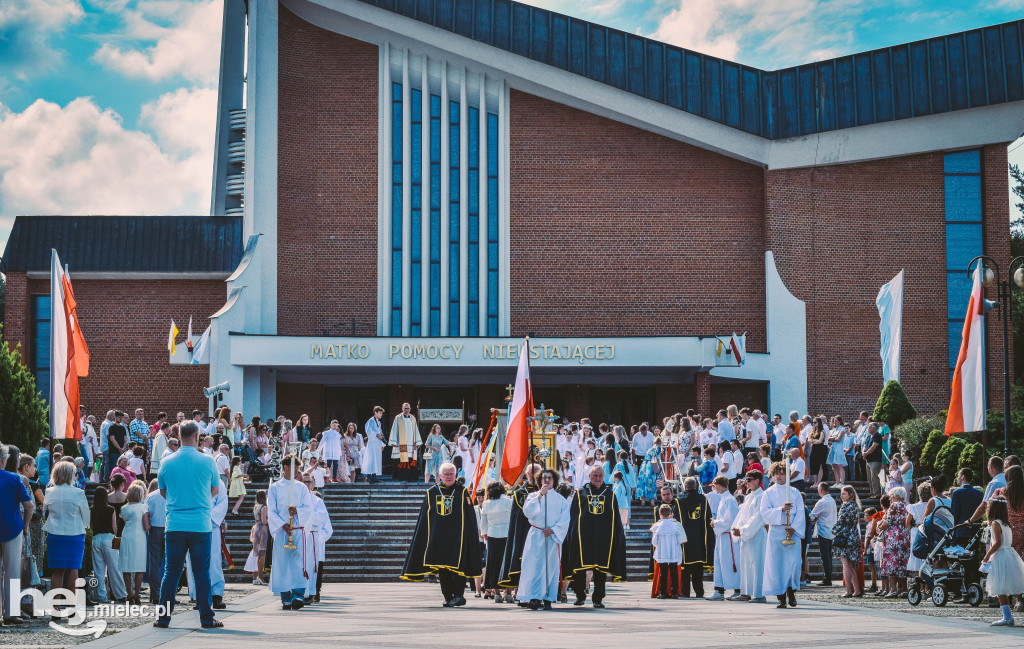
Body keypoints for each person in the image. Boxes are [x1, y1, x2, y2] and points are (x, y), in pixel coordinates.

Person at [154, 420, 223, 629]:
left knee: (171, 571)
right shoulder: (207, 460)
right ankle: (206, 617)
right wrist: (200, 500)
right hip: (200, 523)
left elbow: (163, 492)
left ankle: (163, 617)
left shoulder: (167, 462)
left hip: (174, 522)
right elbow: (215, 489)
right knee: (201, 571)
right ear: (196, 437)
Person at [400, 462, 482, 606]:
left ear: (456, 475)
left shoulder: (462, 492)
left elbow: (469, 517)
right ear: (440, 476)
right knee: (443, 569)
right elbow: (424, 519)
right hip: (439, 538)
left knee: (458, 569)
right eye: (446, 474)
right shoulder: (432, 492)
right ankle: (448, 597)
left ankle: (459, 596)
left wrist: (471, 536)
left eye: (452, 474)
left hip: (458, 539)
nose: (449, 477)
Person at [562, 465, 626, 608]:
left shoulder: (610, 494)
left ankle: (598, 598)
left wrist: (616, 536)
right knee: (580, 569)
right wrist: (572, 536)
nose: (597, 479)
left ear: (604, 477)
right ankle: (580, 596)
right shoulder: (580, 493)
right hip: (583, 538)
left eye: (600, 476)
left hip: (603, 538)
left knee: (600, 570)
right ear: (589, 476)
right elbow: (573, 517)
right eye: (595, 476)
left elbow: (615, 518)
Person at [517, 469, 571, 610]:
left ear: (554, 480)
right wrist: (540, 495)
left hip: (552, 538)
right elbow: (528, 512)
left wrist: (553, 530)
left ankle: (548, 597)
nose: (547, 480)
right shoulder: (533, 496)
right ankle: (534, 597)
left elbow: (565, 519)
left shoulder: (561, 500)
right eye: (544, 478)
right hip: (536, 536)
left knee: (550, 568)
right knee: (534, 566)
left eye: (550, 478)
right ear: (539, 480)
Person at [267, 456, 316, 609]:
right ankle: (286, 597)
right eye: (293, 467)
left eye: (298, 467)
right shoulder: (274, 487)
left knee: (298, 562)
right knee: (282, 564)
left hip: (297, 529)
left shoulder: (301, 487)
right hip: (282, 530)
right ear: (285, 467)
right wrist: (282, 524)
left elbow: (309, 509)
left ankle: (298, 595)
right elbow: (271, 510)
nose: (296, 470)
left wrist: (297, 511)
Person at [42, 461, 91, 599]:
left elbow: (46, 511)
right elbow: (86, 515)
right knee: (73, 570)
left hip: (55, 533)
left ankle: (55, 606)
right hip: (75, 533)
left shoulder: (49, 492)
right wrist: (85, 529)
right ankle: (72, 605)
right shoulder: (78, 493)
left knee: (57, 572)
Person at [761, 460, 806, 608]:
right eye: (777, 474)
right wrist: (780, 510)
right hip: (776, 531)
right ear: (772, 476)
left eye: (782, 474)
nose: (779, 477)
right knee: (777, 565)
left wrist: (794, 527)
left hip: (791, 532)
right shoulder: (768, 493)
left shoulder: (795, 492)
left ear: (787, 475)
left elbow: (800, 512)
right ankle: (781, 597)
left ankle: (791, 591)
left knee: (793, 563)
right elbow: (764, 512)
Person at [1, 444, 34, 624]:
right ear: (3, 460)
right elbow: (28, 505)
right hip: (12, 528)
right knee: (12, 571)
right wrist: (26, 525)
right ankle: (11, 613)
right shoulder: (14, 478)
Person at [497, 464, 541, 594]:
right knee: (519, 559)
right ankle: (514, 589)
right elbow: (519, 514)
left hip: (539, 532)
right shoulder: (520, 493)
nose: (534, 475)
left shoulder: (546, 492)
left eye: (537, 472)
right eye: (531, 472)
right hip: (523, 531)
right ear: (526, 475)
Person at [982, 498, 1024, 626]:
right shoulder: (1007, 524)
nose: (987, 509)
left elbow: (998, 543)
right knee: (1011, 584)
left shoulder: (995, 523)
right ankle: (1008, 616)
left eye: (988, 507)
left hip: (1001, 555)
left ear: (993, 509)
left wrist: (987, 555)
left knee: (1000, 587)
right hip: (1010, 554)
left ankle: (1007, 617)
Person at [733, 470, 767, 602]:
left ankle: (759, 594)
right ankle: (745, 592)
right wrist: (737, 528)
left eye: (749, 479)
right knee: (745, 563)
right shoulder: (749, 496)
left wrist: (743, 530)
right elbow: (742, 515)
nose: (746, 482)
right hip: (745, 534)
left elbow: (758, 517)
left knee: (757, 563)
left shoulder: (762, 496)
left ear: (757, 481)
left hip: (756, 533)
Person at [90, 486, 127, 604]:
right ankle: (120, 594)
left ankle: (101, 596)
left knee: (98, 570)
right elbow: (114, 527)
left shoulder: (92, 509)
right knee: (114, 568)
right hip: (108, 538)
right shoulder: (111, 509)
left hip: (96, 538)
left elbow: (91, 526)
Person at [676, 477, 711, 598]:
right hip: (699, 539)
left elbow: (676, 520)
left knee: (685, 570)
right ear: (696, 486)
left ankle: (685, 592)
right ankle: (699, 592)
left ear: (684, 487)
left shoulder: (679, 500)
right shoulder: (703, 499)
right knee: (698, 569)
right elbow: (708, 519)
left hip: (684, 540)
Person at [707, 476, 741, 600]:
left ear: (719, 485)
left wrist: (715, 523)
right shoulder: (723, 498)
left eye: (715, 486)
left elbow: (730, 520)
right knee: (719, 563)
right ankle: (719, 590)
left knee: (730, 563)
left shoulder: (729, 500)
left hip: (728, 537)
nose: (714, 488)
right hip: (722, 536)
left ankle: (738, 589)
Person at [480, 481, 513, 602]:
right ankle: (508, 593)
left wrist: (484, 534)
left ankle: (497, 593)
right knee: (507, 563)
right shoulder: (509, 502)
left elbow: (483, 522)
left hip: (492, 534)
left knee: (494, 564)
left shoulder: (486, 504)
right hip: (507, 534)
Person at [118, 482, 148, 605]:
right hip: (139, 536)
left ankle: (129, 594)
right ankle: (137, 594)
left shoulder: (124, 508)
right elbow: (146, 527)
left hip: (127, 536)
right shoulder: (143, 508)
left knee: (127, 566)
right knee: (139, 567)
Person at [832, 485, 864, 597]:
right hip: (852, 536)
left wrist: (833, 530)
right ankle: (856, 590)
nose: (841, 496)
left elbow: (841, 522)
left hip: (846, 537)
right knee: (849, 565)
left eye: (843, 494)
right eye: (841, 494)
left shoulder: (847, 507)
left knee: (846, 564)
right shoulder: (854, 506)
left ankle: (849, 590)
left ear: (850, 494)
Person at [879, 486, 910, 598]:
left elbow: (887, 522)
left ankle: (893, 590)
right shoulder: (907, 506)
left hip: (893, 538)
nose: (891, 498)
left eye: (892, 495)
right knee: (902, 563)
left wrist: (880, 526)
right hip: (905, 537)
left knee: (891, 562)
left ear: (896, 496)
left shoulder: (894, 506)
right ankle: (904, 589)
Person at [651, 504, 686, 599]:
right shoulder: (676, 526)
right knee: (674, 573)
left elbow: (654, 542)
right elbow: (679, 541)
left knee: (663, 573)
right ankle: (674, 592)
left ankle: (663, 593)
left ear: (660, 514)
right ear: (670, 513)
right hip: (673, 553)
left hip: (662, 553)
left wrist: (659, 546)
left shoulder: (657, 527)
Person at [306, 488, 332, 603]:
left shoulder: (320, 508)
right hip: (304, 542)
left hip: (316, 544)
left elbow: (328, 529)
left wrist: (316, 539)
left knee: (317, 570)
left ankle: (315, 592)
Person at [145, 479, 166, 604]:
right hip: (169, 529)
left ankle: (155, 594)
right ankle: (168, 594)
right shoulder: (171, 494)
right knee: (171, 564)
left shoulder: (151, 496)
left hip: (155, 529)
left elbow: (146, 513)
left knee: (155, 563)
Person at [389, 403, 421, 482]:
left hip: (411, 443)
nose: (407, 410)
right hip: (402, 443)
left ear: (410, 409)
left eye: (408, 408)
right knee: (403, 461)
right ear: (402, 409)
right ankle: (403, 478)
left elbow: (416, 430)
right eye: (405, 408)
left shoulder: (413, 418)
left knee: (411, 461)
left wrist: (418, 442)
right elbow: (394, 429)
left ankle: (411, 478)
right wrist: (393, 441)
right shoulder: (398, 418)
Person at [244, 490, 270, 586]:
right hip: (262, 530)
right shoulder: (263, 507)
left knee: (256, 554)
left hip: (256, 529)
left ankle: (256, 577)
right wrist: (271, 519)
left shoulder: (256, 506)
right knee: (262, 554)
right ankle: (260, 576)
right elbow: (264, 521)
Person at [951, 468, 983, 540]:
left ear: (963, 477)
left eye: (958, 475)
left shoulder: (956, 493)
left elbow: (954, 513)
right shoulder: (979, 493)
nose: (957, 478)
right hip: (975, 530)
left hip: (960, 530)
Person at [361, 406, 386, 483]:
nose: (381, 414)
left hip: (377, 443)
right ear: (375, 412)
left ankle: (374, 476)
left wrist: (382, 444)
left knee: (376, 459)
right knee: (371, 459)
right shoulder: (371, 421)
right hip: (372, 443)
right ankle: (369, 476)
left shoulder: (378, 422)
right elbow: (368, 431)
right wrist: (376, 434)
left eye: (382, 413)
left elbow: (380, 433)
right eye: (380, 413)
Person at [861, 423, 885, 499]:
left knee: (874, 476)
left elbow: (874, 446)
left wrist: (866, 453)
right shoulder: (868, 437)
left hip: (875, 459)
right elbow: (864, 446)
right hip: (868, 459)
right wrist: (863, 453)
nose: (868, 429)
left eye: (870, 427)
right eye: (868, 427)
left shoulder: (877, 436)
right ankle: (872, 492)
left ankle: (877, 493)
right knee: (869, 477)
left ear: (875, 428)